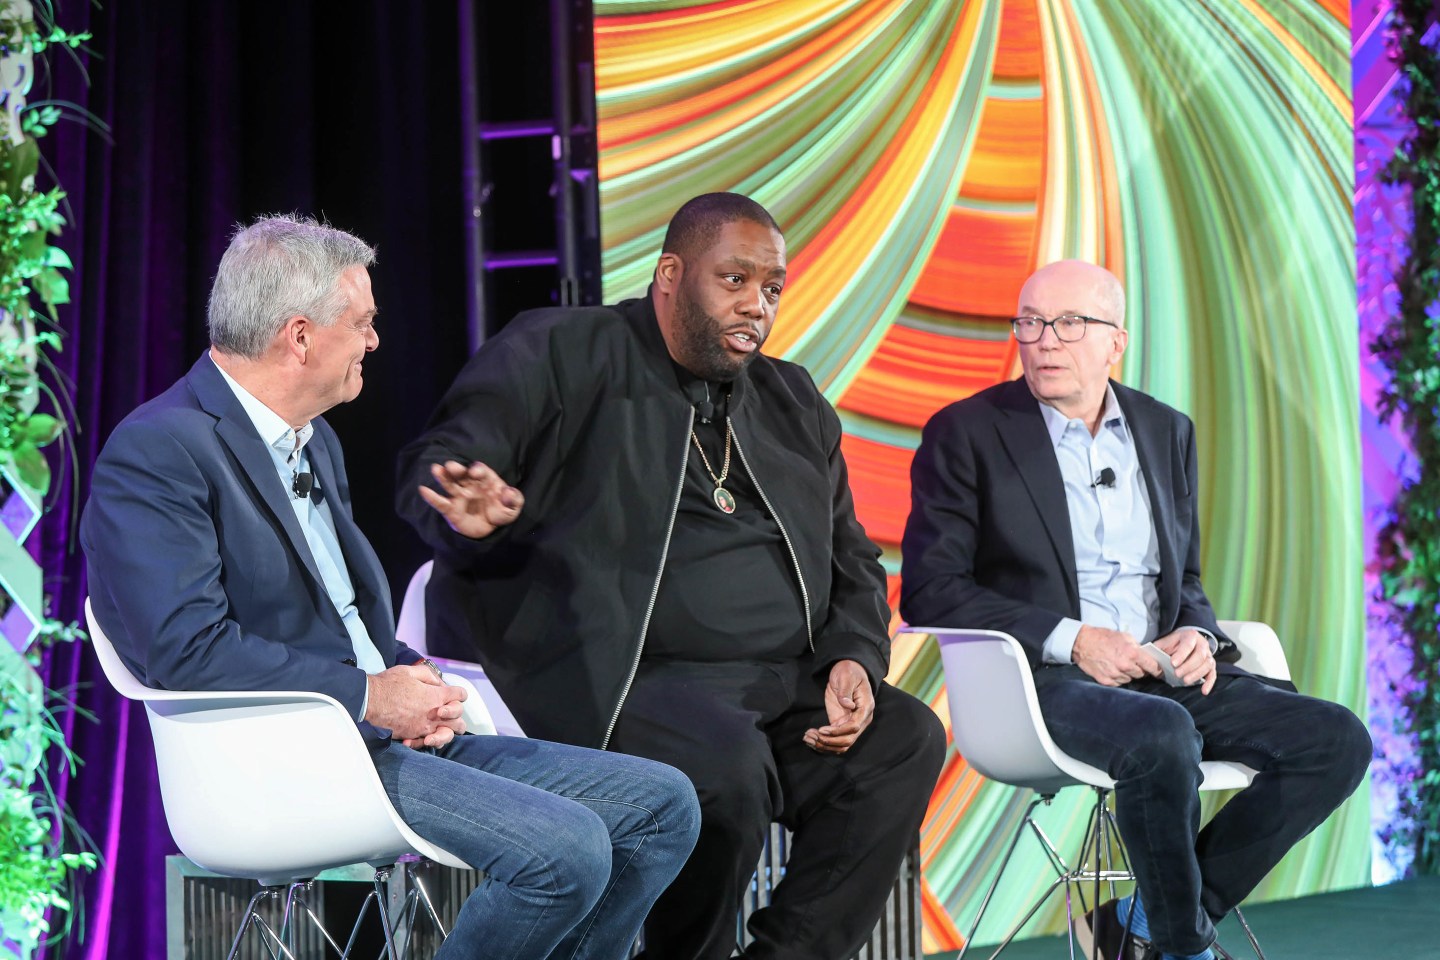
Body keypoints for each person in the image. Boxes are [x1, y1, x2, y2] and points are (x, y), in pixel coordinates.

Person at [80, 214, 700, 960]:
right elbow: (183, 651)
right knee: (562, 852)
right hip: (292, 758)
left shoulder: (317, 442)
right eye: (363, 322)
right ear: (300, 336)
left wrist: (413, 681)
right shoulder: (158, 452)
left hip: (379, 735)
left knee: (663, 806)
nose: (375, 341)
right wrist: (372, 695)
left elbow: (340, 622)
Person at [396, 193, 945, 960]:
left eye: (773, 288)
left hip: (777, 685)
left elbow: (850, 556)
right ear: (669, 275)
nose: (757, 305)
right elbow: (449, 457)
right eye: (734, 280)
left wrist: (853, 655)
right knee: (723, 775)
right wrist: (466, 506)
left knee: (905, 738)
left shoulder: (793, 400)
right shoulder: (563, 349)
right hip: (620, 674)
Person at [900, 260, 1371, 960]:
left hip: (1162, 674)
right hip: (1042, 682)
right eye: (1029, 322)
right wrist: (1072, 639)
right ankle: (1185, 949)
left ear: (1115, 341)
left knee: (1336, 741)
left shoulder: (1164, 430)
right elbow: (930, 587)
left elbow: (1187, 582)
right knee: (1161, 736)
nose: (1043, 341)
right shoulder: (967, 432)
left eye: (1067, 323)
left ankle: (1145, 921)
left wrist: (1199, 634)